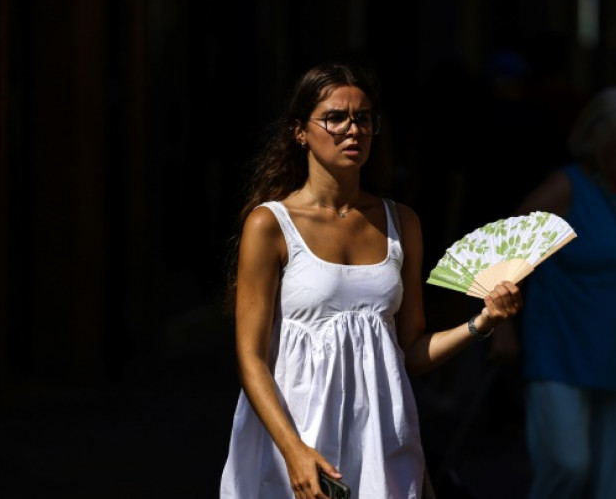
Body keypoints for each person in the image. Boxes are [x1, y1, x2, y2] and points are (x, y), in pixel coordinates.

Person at [218, 61, 522, 499]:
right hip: (294, 436)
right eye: (335, 118)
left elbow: (409, 352)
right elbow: (251, 359)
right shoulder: (270, 225)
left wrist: (483, 322)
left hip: (380, 438)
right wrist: (294, 450)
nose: (352, 130)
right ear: (299, 131)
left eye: (363, 118)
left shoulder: (402, 223)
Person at [490, 87, 616, 498]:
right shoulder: (569, 188)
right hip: (561, 353)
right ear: (600, 141)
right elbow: (507, 245)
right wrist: (501, 324)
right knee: (568, 465)